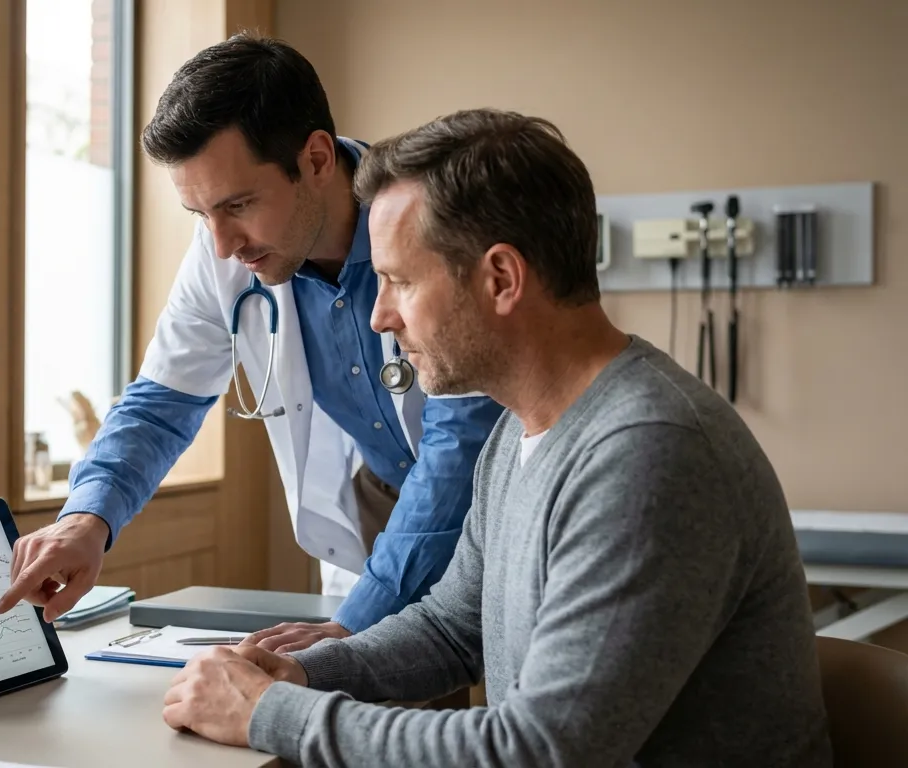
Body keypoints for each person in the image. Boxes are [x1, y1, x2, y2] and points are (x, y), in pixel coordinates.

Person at [160, 108, 834, 767]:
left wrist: (268, 714)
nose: (379, 315)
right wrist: (296, 675)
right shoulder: (518, 433)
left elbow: (542, 751)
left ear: (501, 279)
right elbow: (450, 629)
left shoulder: (649, 453)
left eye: (397, 280)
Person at [0, 34, 503, 650]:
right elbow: (161, 404)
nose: (221, 243)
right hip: (381, 504)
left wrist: (352, 626)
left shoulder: (432, 220)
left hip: (488, 494)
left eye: (238, 203)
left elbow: (460, 445)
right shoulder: (226, 252)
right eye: (199, 213)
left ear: (316, 159)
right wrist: (87, 518)